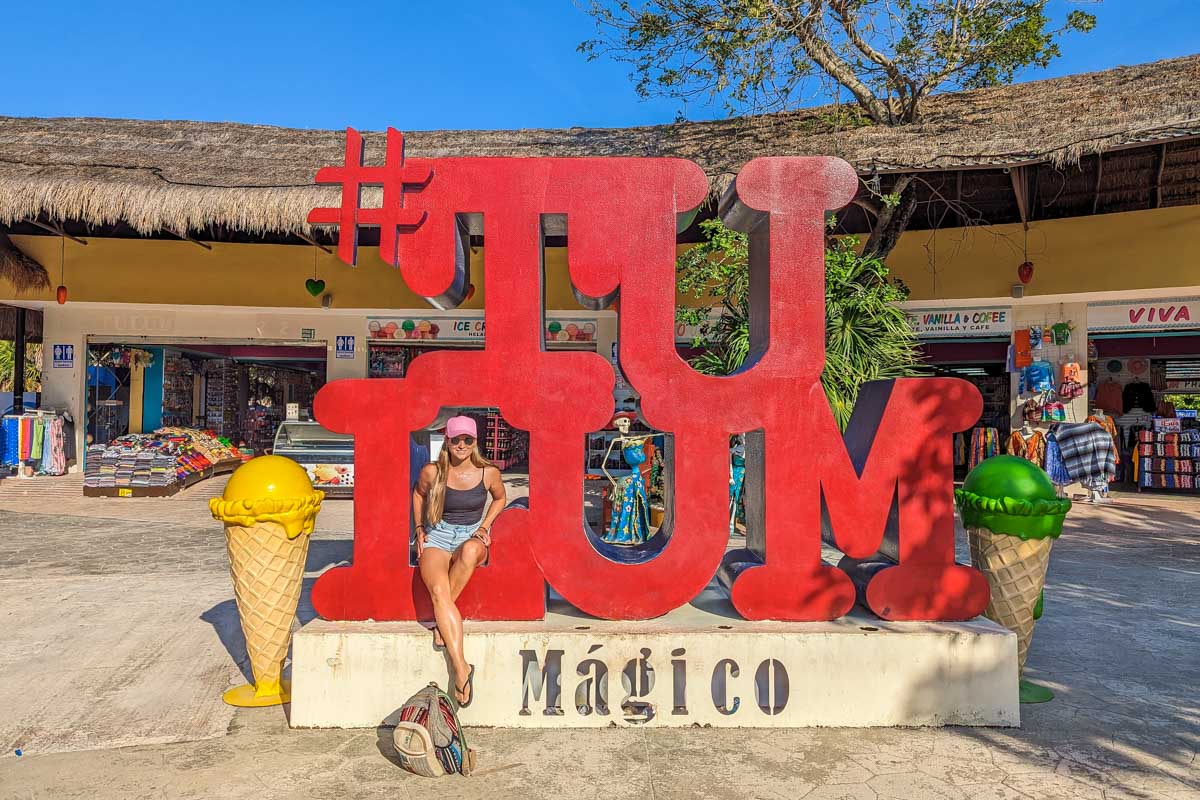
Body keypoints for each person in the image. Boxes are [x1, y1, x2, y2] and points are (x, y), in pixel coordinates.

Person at [413, 415, 506, 707]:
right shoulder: (432, 472)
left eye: (468, 440)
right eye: (456, 440)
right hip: (437, 536)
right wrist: (418, 529)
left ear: (475, 442)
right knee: (439, 592)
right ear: (447, 442)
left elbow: (500, 499)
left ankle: (442, 622)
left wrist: (485, 526)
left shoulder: (488, 472)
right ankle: (461, 667)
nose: (462, 445)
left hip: (470, 536)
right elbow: (418, 495)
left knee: (469, 553)